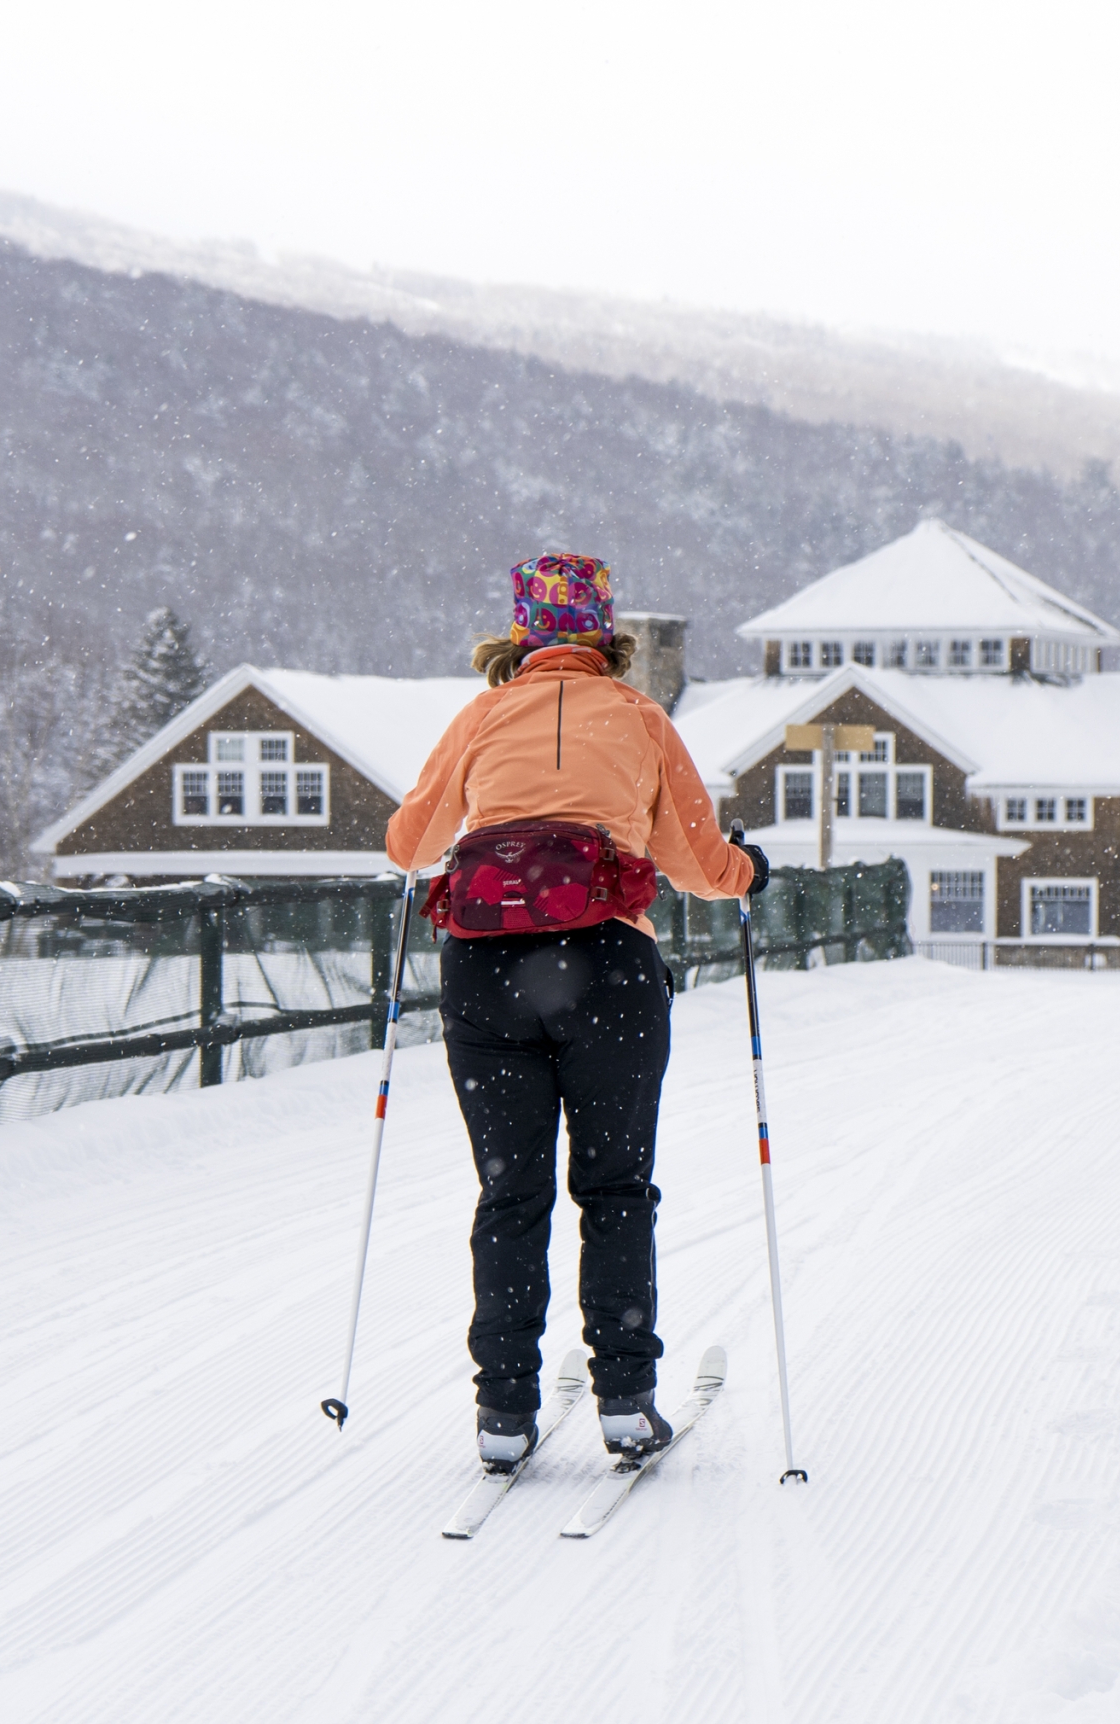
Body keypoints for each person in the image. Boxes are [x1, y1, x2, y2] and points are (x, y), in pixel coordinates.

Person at [385, 553, 768, 1471]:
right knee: (614, 1189)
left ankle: (503, 1412)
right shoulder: (641, 718)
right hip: (607, 969)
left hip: (482, 971)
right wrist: (749, 870)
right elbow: (699, 867)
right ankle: (627, 1402)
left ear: (520, 635)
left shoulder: (479, 715)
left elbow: (410, 844)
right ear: (608, 635)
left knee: (510, 1195)